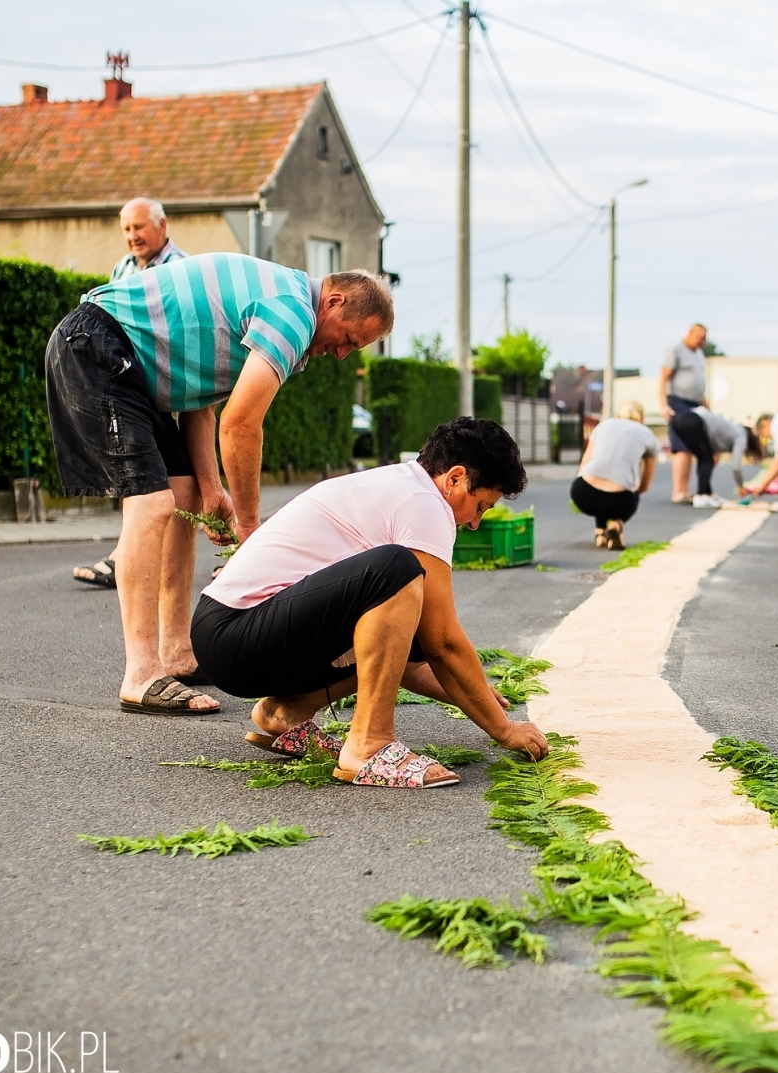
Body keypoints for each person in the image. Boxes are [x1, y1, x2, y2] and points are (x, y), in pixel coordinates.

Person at [44, 251, 393, 715]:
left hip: (131, 364)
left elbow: (198, 396)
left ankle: (176, 652)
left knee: (184, 496)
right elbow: (241, 424)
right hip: (96, 346)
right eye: (348, 338)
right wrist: (251, 532)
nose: (343, 353)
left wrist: (212, 489)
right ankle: (140, 674)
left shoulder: (282, 303)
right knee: (151, 503)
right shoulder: (292, 314)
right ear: (332, 300)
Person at [191, 419, 549, 787]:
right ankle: (368, 745)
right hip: (236, 634)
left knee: (411, 615)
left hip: (229, 635)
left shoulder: (400, 485)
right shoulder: (424, 503)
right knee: (396, 569)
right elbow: (444, 644)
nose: (474, 523)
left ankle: (286, 712)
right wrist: (504, 730)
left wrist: (472, 692)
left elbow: (403, 648)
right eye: (480, 507)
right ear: (454, 478)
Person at [72, 197, 191, 591]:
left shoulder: (182, 269)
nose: (132, 236)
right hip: (129, 384)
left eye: (139, 227)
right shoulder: (121, 270)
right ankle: (127, 557)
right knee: (139, 478)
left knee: (173, 479)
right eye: (126, 230)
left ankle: (138, 559)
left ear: (163, 226)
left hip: (167, 386)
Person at [572, 402, 659, 550]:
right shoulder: (647, 435)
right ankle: (616, 525)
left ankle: (600, 534)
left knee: (600, 488)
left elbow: (583, 465)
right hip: (619, 501)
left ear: (617, 416)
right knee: (623, 492)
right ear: (642, 419)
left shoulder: (603, 426)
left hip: (583, 493)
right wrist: (636, 491)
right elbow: (645, 484)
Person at [668, 406, 760, 508]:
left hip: (678, 420)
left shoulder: (731, 429)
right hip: (694, 420)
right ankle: (702, 495)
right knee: (706, 459)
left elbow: (712, 437)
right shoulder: (741, 436)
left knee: (704, 457)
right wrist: (741, 486)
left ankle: (708, 493)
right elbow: (736, 467)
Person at [659, 323, 709, 504]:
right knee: (682, 446)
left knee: (695, 446)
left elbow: (700, 384)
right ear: (690, 333)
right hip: (678, 401)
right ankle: (678, 491)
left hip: (695, 403)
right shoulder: (676, 350)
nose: (702, 341)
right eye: (700, 337)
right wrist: (663, 404)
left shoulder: (698, 354)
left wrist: (707, 408)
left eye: (705, 338)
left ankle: (686, 489)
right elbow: (663, 377)